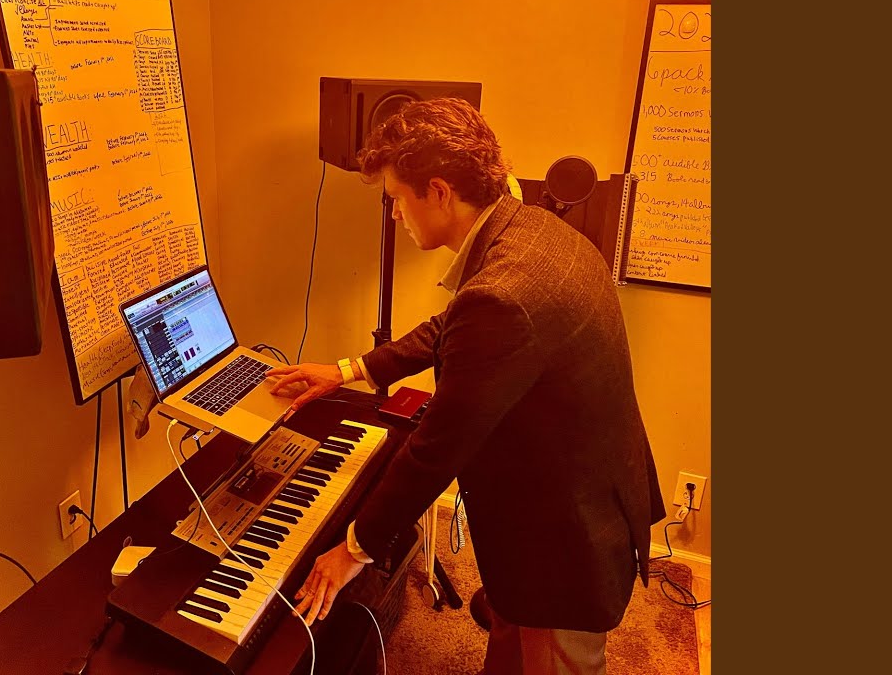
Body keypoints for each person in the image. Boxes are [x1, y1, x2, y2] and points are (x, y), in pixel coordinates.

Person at [267, 97, 665, 675]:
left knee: (557, 661)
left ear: (438, 192)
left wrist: (355, 549)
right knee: (512, 638)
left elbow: (437, 446)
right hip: (582, 484)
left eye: (397, 199)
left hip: (565, 533)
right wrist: (351, 369)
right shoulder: (528, 230)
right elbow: (455, 327)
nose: (395, 216)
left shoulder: (504, 294)